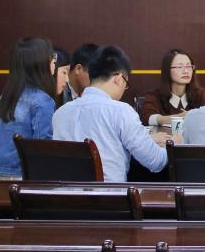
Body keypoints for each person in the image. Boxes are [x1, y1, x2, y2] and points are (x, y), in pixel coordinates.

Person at [53, 45, 172, 182]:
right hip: (110, 194)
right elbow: (155, 161)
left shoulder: (60, 113)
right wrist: (174, 145)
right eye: (126, 84)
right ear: (119, 78)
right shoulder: (121, 111)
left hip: (66, 194)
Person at [0, 37, 57, 180]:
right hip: (26, 178)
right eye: (52, 56)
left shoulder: (2, 99)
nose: (54, 60)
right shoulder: (42, 101)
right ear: (40, 64)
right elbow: (42, 150)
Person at [139, 48, 205, 126]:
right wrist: (179, 117)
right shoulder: (154, 95)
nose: (186, 71)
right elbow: (146, 118)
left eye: (189, 66)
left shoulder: (199, 94)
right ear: (167, 70)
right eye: (180, 67)